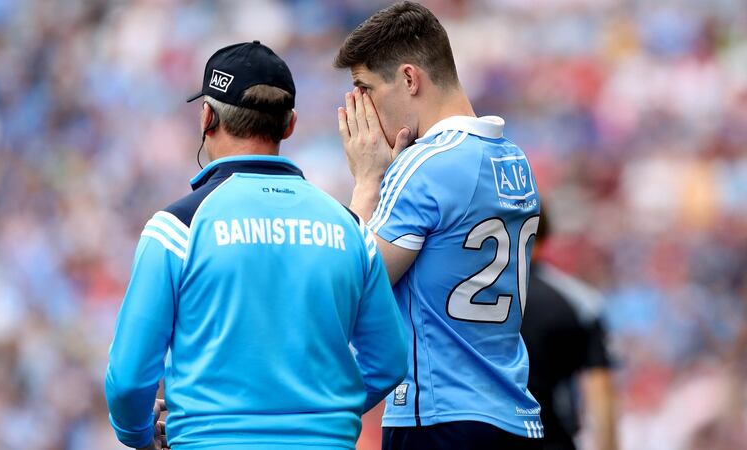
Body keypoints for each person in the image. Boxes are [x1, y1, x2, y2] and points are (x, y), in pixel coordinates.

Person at [104, 41, 408, 450]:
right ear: (289, 124)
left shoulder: (176, 229)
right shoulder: (349, 228)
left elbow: (127, 380)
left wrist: (140, 436)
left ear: (207, 117)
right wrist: (325, 415)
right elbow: (388, 361)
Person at [334, 2, 543, 449]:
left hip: (439, 417)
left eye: (364, 88)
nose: (359, 107)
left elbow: (350, 286)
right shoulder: (514, 159)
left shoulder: (426, 162)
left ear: (409, 79)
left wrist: (368, 183)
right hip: (512, 414)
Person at [520, 212, 618, 450]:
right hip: (551, 438)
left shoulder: (460, 298)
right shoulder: (578, 302)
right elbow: (599, 393)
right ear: (544, 237)